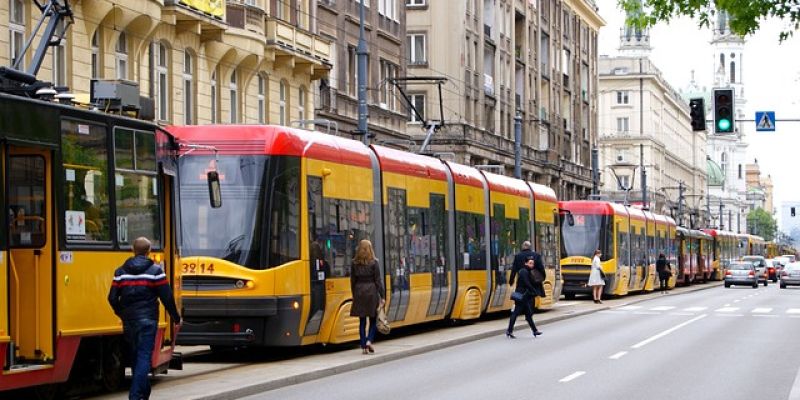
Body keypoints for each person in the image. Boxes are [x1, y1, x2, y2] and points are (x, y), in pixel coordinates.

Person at [108, 237, 181, 400]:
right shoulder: (155, 272)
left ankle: (144, 393)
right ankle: (135, 396)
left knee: (136, 357)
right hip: (148, 321)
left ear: (132, 251)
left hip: (129, 321)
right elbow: (167, 297)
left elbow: (112, 298)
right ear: (149, 252)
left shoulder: (120, 272)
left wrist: (121, 313)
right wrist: (176, 318)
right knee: (143, 358)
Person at [350, 239, 385, 354]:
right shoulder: (374, 263)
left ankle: (363, 345)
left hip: (359, 292)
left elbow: (353, 281)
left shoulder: (354, 263)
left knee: (362, 321)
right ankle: (369, 340)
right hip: (371, 293)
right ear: (370, 249)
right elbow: (378, 281)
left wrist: (354, 294)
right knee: (373, 319)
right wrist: (383, 296)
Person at [506, 256, 543, 338]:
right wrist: (534, 290)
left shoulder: (527, 271)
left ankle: (534, 331)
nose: (532, 265)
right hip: (521, 296)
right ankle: (509, 330)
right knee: (516, 313)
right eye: (530, 263)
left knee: (528, 315)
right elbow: (527, 283)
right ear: (525, 263)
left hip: (525, 296)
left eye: (532, 263)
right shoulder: (523, 271)